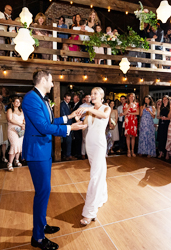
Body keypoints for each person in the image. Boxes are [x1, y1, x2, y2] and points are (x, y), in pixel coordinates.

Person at [23, 70, 86, 250]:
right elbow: (43, 127)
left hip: (44, 150)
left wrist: (69, 117)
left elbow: (50, 120)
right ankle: (38, 238)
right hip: (37, 152)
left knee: (45, 191)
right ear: (43, 80)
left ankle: (42, 225)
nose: (52, 84)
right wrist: (70, 128)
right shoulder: (31, 99)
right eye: (51, 81)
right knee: (43, 192)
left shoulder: (40, 98)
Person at [73, 87, 110, 226]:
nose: (92, 95)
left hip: (99, 145)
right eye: (91, 93)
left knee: (95, 175)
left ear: (101, 96)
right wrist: (75, 121)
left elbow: (105, 117)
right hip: (89, 145)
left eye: (95, 93)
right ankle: (102, 196)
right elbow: (84, 125)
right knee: (100, 172)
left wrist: (87, 109)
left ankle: (89, 212)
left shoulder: (106, 108)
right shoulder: (89, 111)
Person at [6, 97, 24, 171]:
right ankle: (9, 163)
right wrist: (20, 124)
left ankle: (17, 160)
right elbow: (10, 119)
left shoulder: (22, 110)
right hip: (12, 129)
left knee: (20, 145)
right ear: (13, 103)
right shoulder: (10, 110)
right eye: (16, 102)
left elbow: (24, 120)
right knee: (14, 145)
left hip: (21, 129)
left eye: (19, 102)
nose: (18, 103)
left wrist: (24, 125)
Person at [0, 95, 9, 164]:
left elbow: (7, 121)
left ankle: (4, 156)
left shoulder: (5, 113)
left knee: (4, 144)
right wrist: (1, 121)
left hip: (4, 130)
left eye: (0, 106)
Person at [123, 93, 139, 157]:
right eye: (131, 96)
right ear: (128, 97)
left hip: (134, 121)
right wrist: (129, 107)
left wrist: (130, 113)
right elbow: (124, 113)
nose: (132, 97)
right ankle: (128, 150)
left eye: (133, 96)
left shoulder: (136, 104)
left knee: (133, 136)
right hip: (127, 120)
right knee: (128, 136)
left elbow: (137, 113)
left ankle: (133, 150)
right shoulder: (126, 104)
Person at [60, 93, 74, 161]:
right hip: (66, 125)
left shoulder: (67, 105)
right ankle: (67, 155)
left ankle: (66, 154)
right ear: (64, 98)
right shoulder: (62, 105)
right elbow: (64, 115)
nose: (68, 100)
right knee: (68, 140)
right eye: (67, 99)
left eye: (69, 99)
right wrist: (69, 125)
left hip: (68, 124)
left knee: (67, 141)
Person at [80, 94, 94, 159]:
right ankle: (83, 153)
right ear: (85, 98)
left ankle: (89, 154)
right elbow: (78, 116)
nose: (88, 99)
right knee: (84, 139)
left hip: (91, 123)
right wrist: (85, 114)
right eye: (87, 97)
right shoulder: (82, 106)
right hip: (84, 123)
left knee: (91, 139)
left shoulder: (92, 106)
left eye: (89, 97)